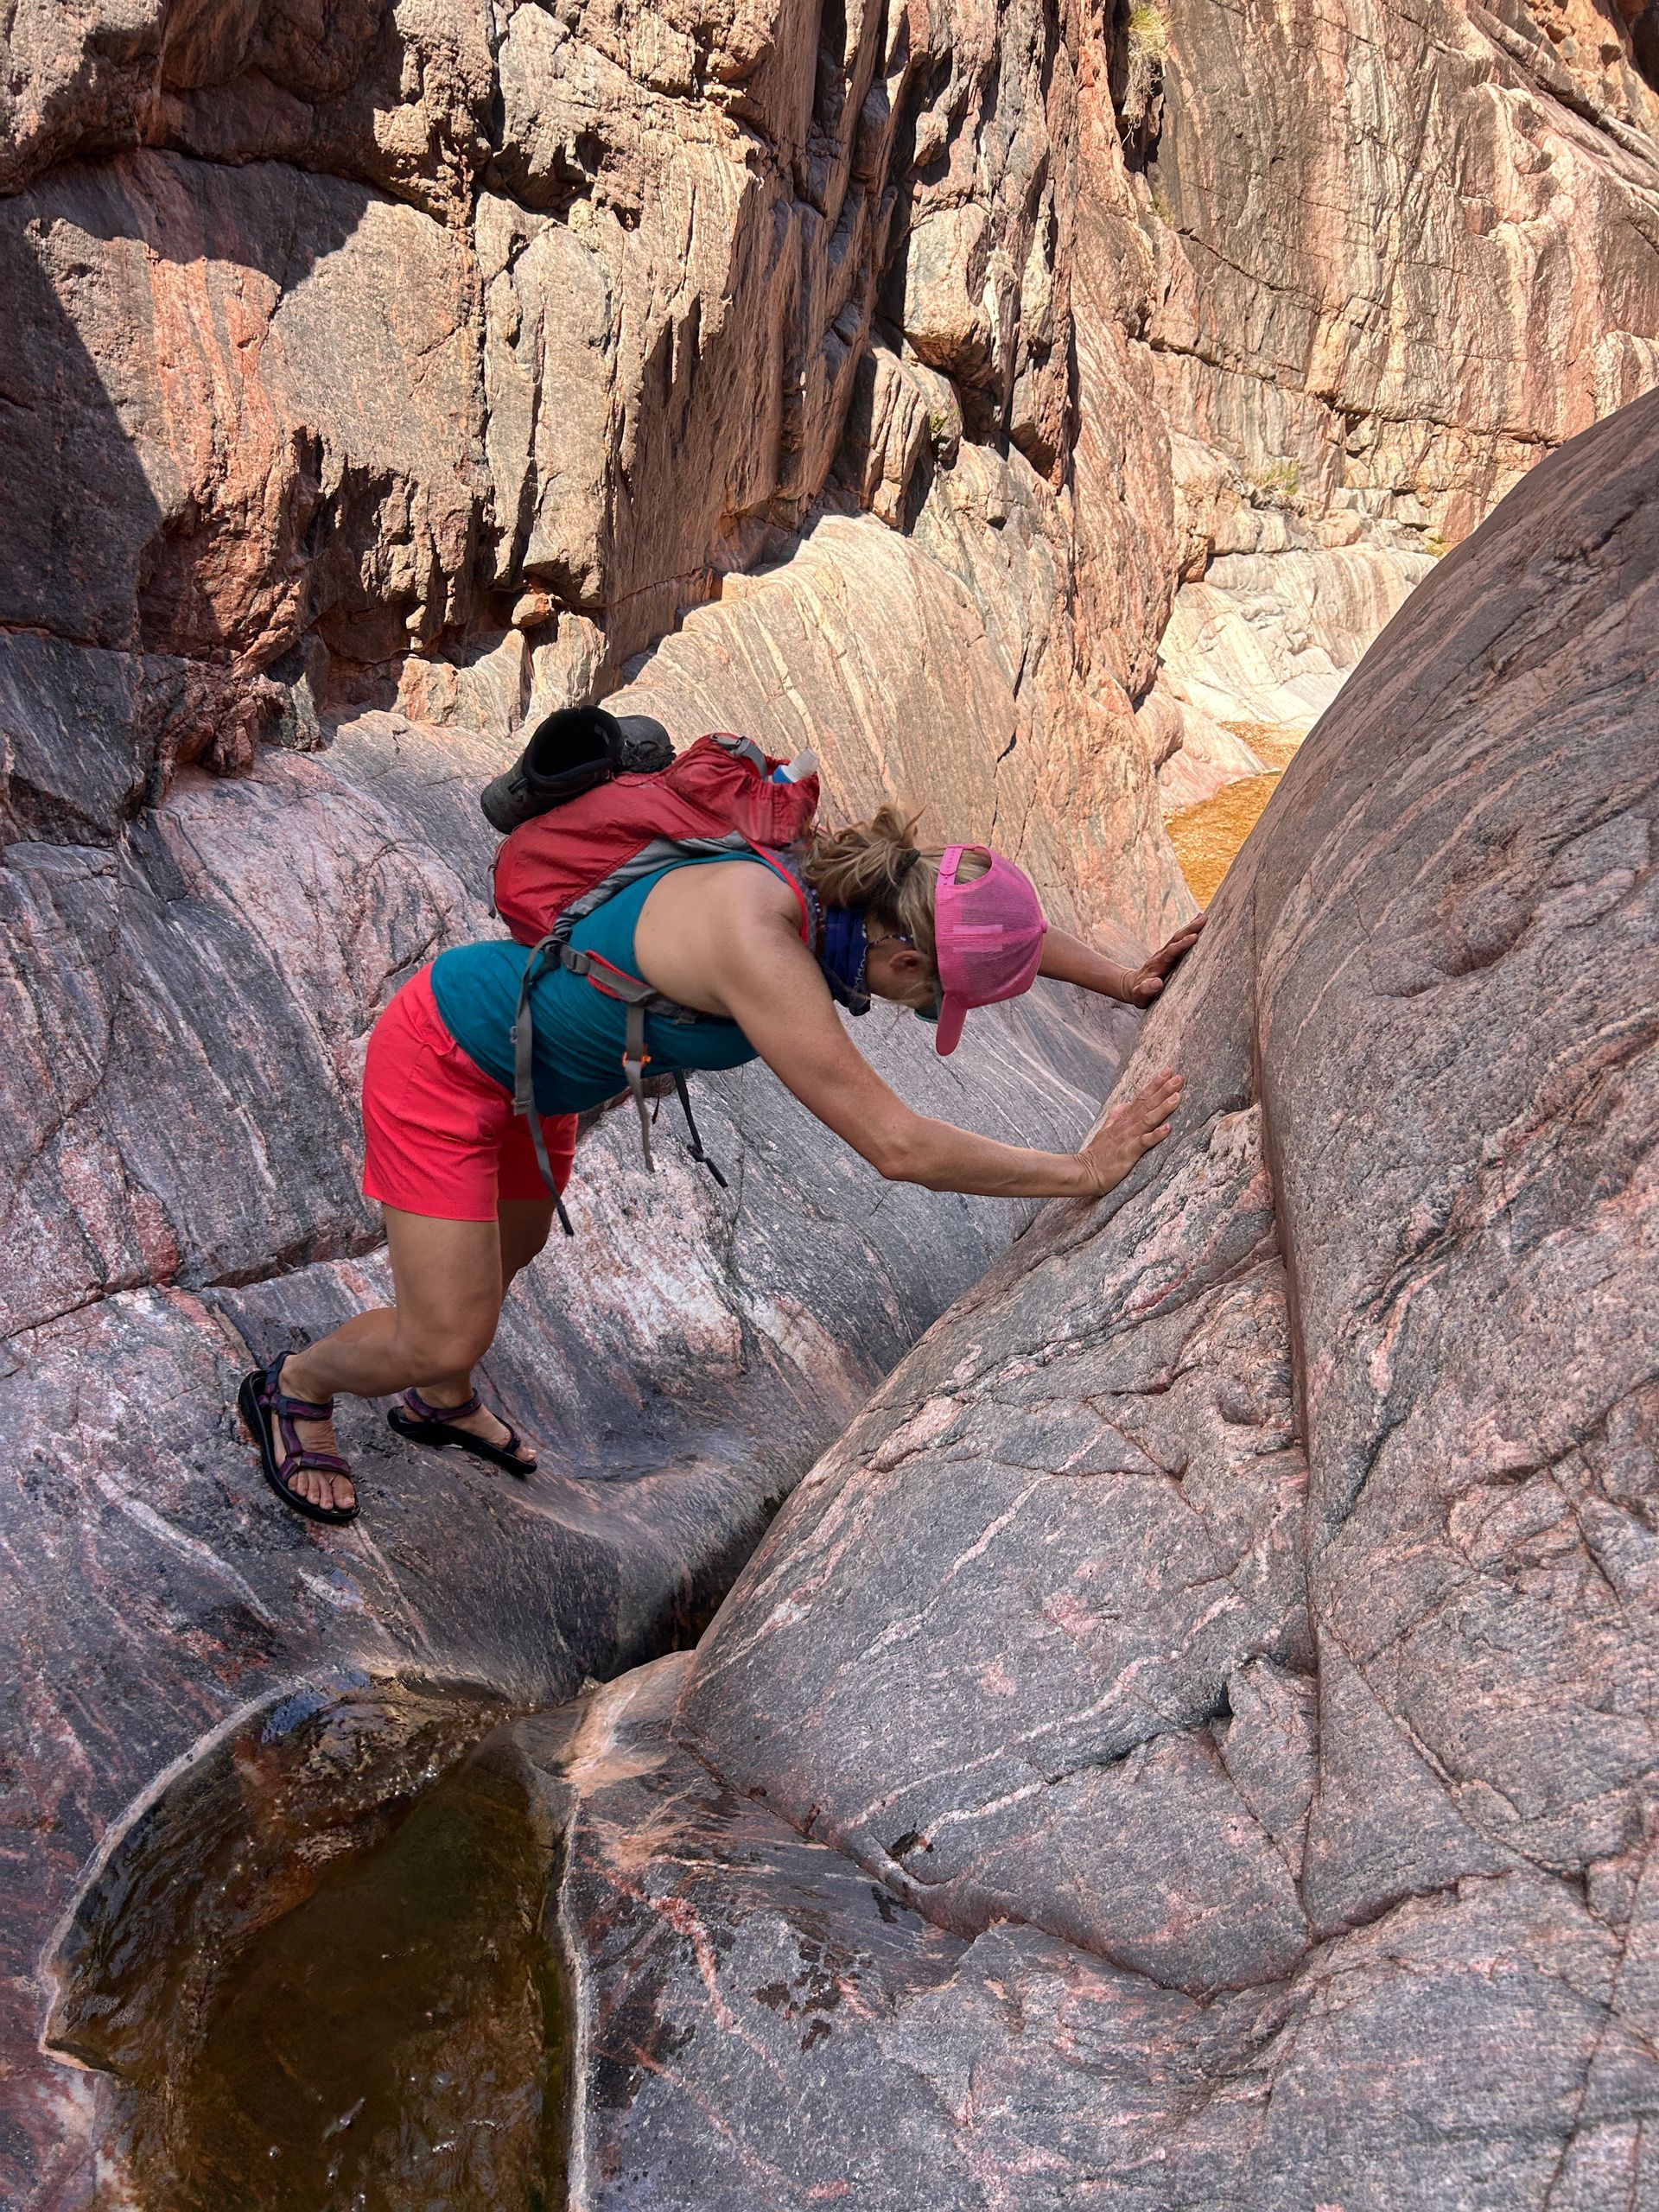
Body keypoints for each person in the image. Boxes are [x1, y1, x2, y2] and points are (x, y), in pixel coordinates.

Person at [240, 806, 1204, 1523]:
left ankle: (436, 1398)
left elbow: (986, 916)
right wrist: (1084, 1171)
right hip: (451, 1054)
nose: (914, 1014)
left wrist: (1124, 979)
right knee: (446, 1331)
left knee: (512, 1249)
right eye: (928, 1002)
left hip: (539, 1078)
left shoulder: (861, 886)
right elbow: (895, 1145)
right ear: (904, 960)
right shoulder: (761, 940)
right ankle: (300, 1384)